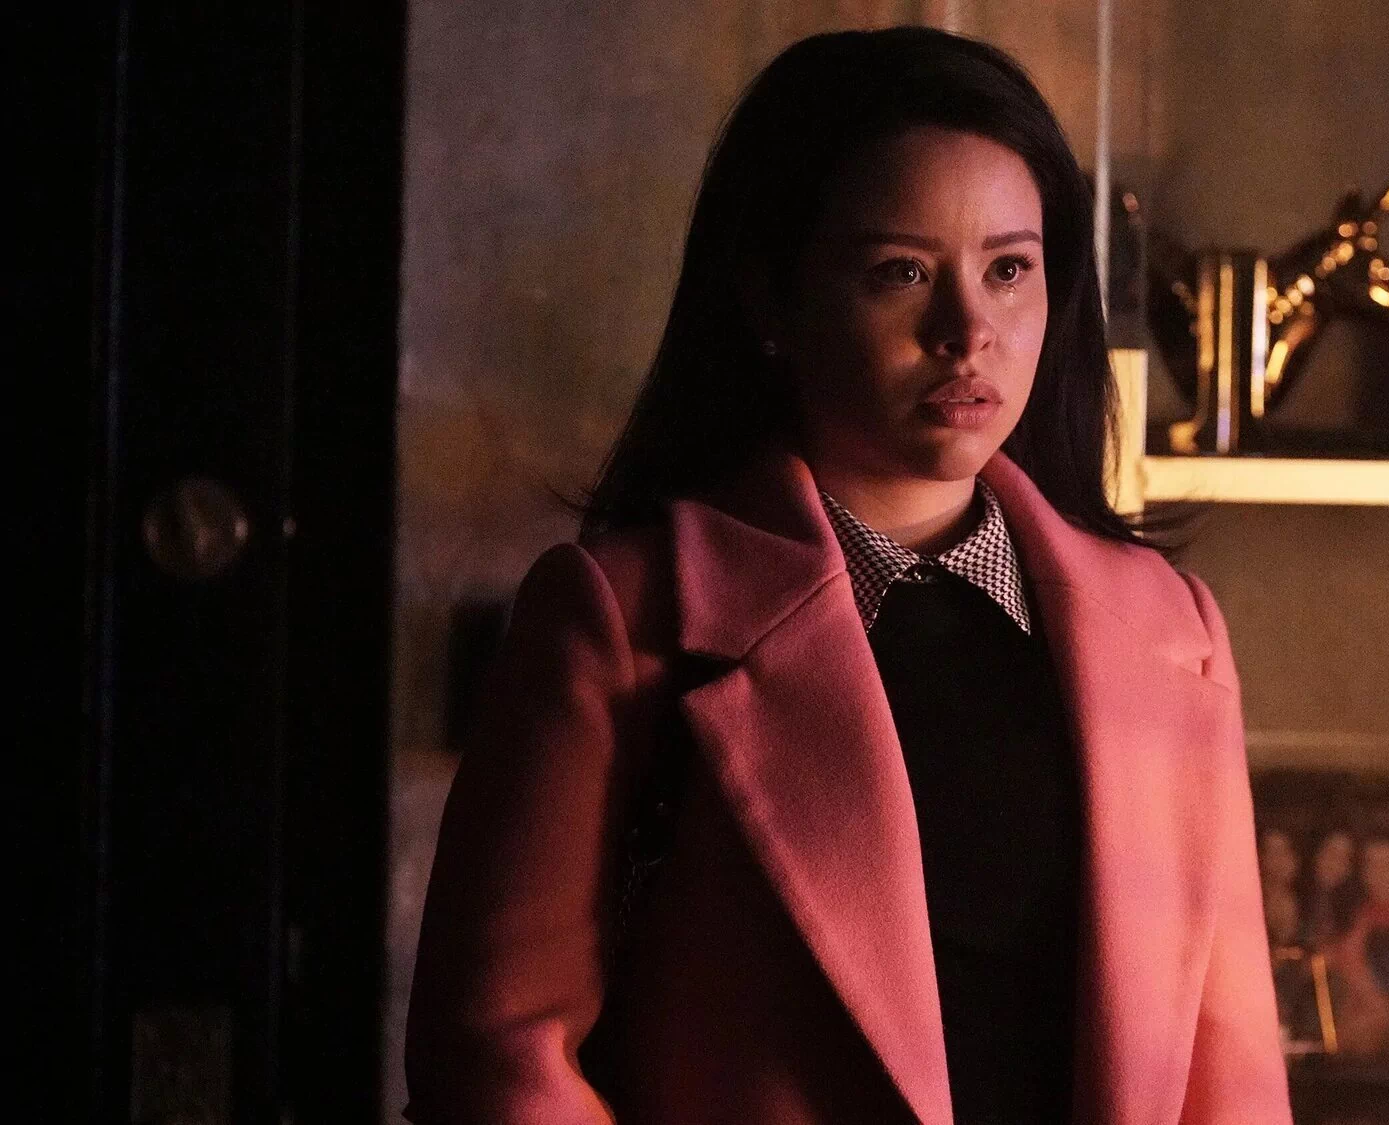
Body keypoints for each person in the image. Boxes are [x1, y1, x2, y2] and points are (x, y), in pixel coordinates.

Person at [402, 26, 1291, 1125]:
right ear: (771, 301)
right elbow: (500, 1058)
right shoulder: (625, 619)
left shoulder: (1167, 628)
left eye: (1008, 269)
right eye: (899, 272)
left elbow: (1228, 1075)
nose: (967, 331)